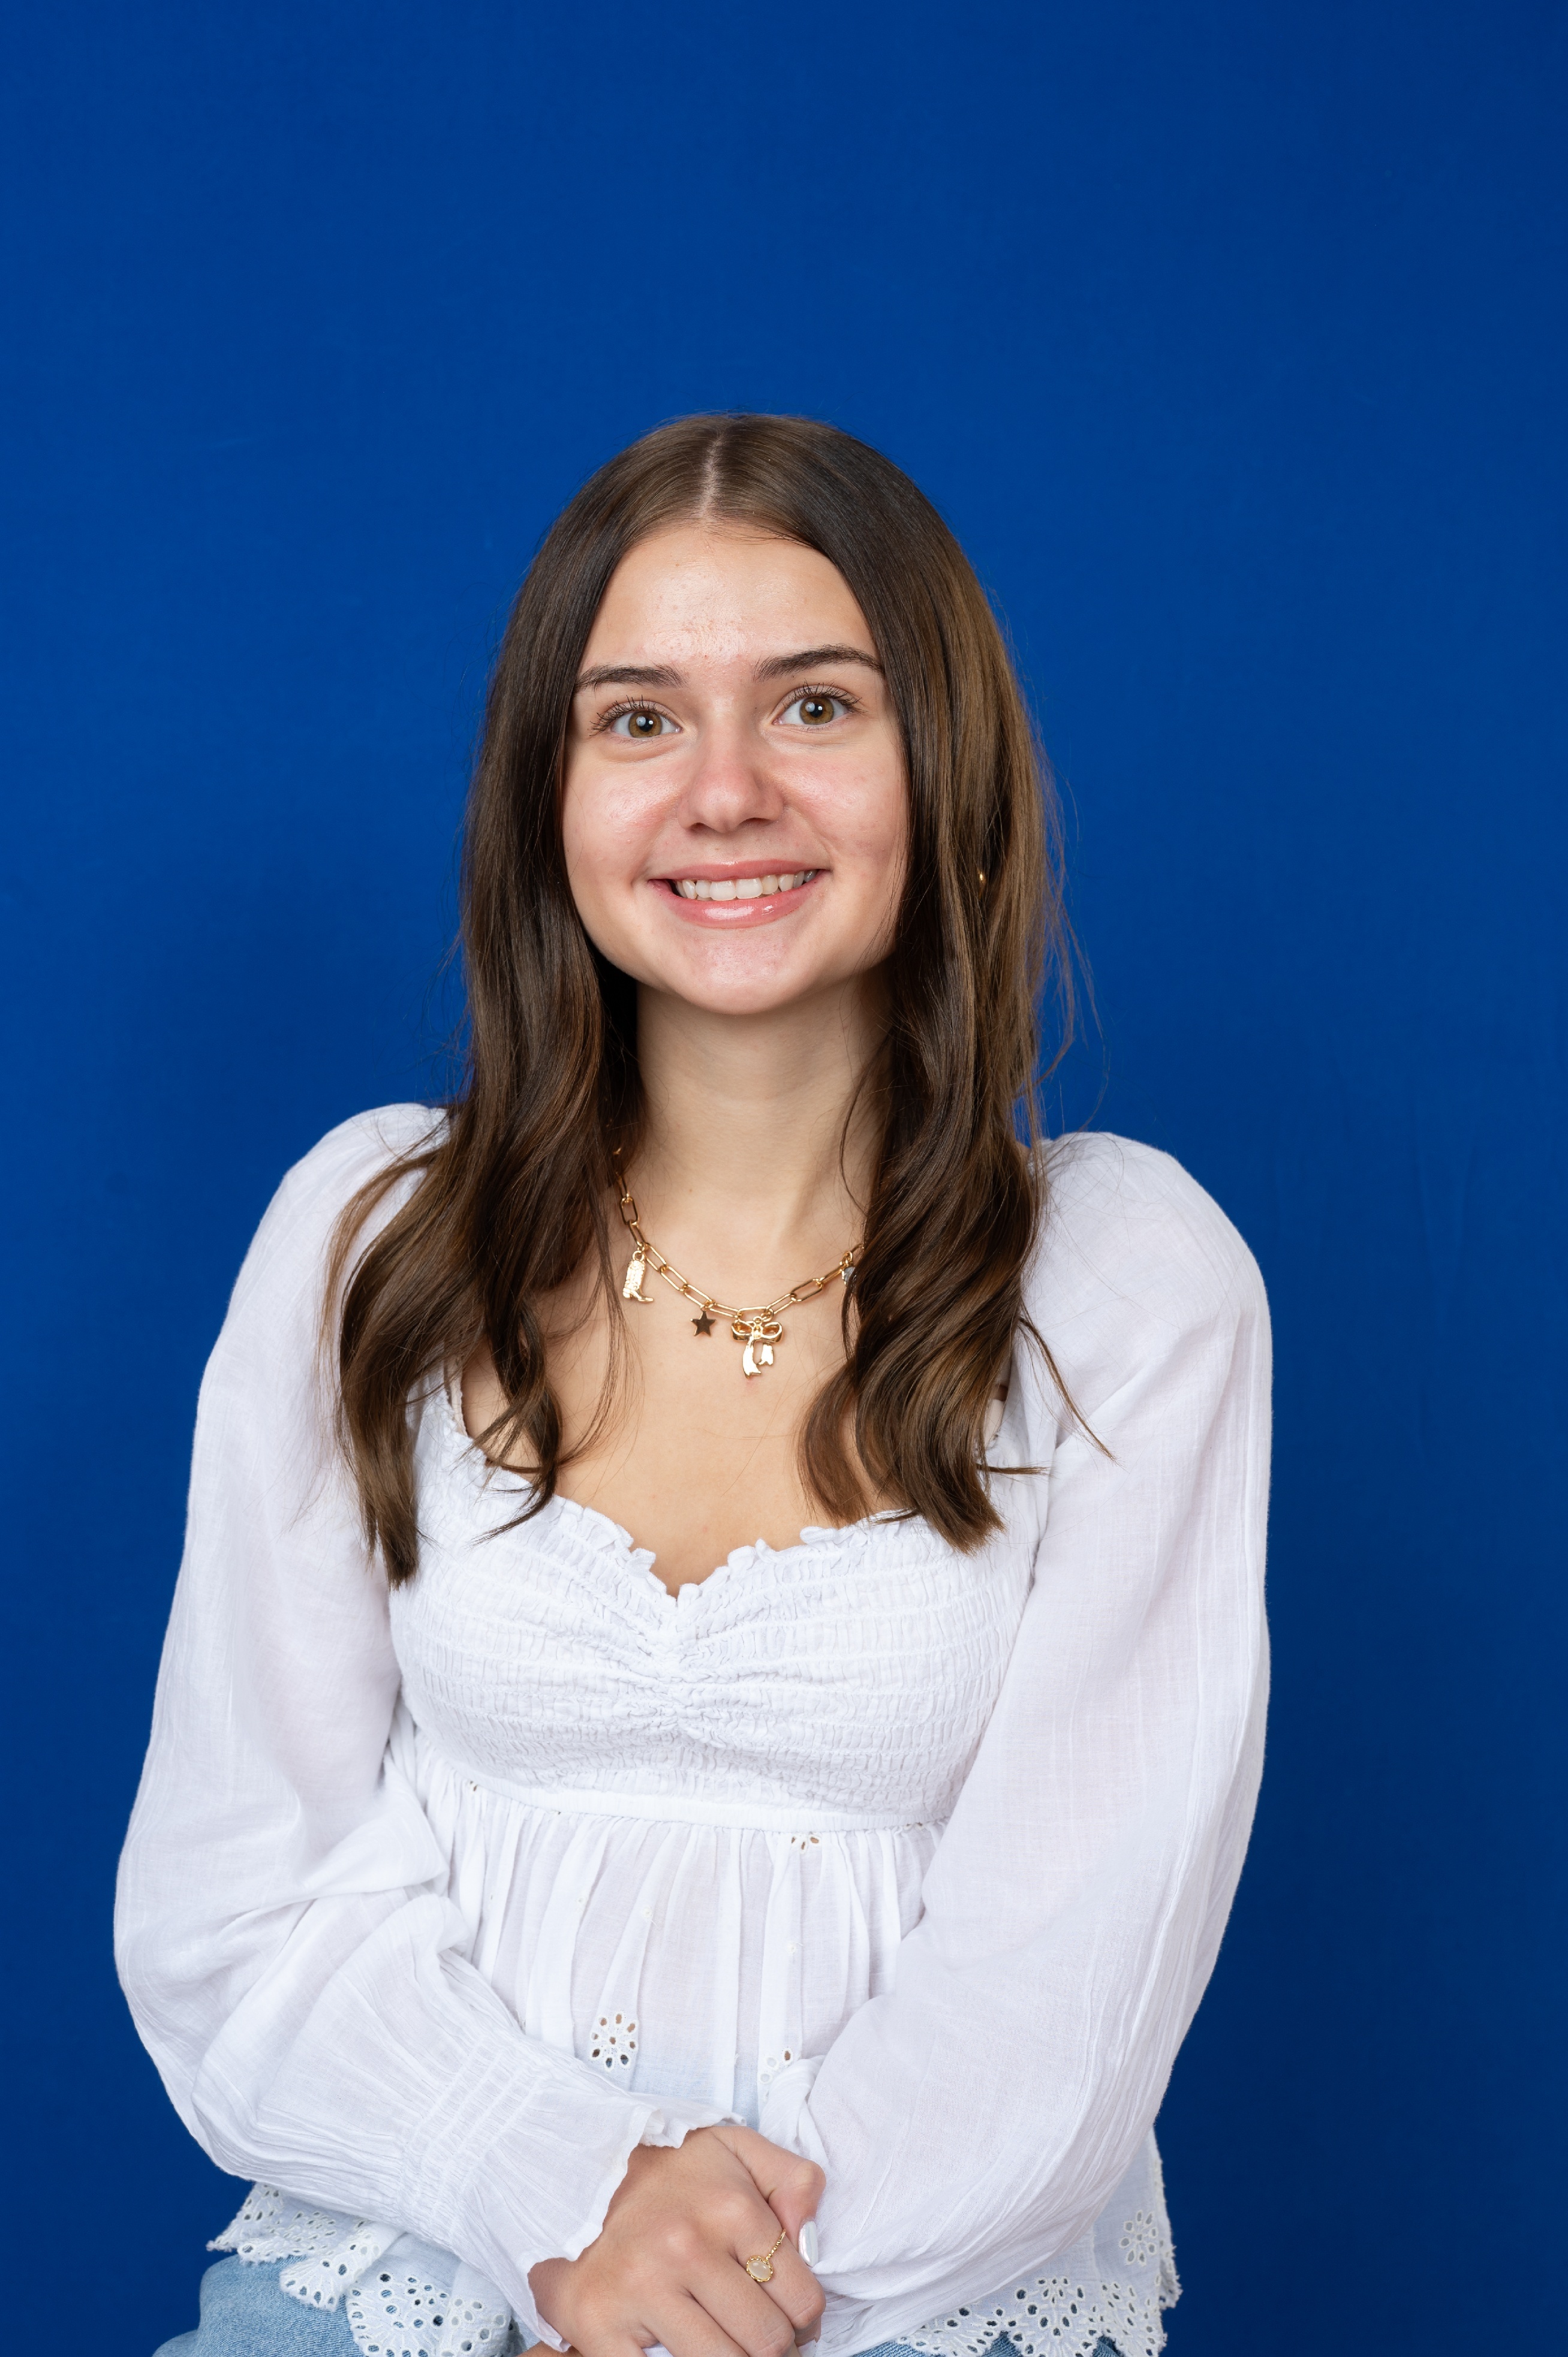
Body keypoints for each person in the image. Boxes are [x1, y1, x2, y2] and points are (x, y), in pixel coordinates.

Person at [116, 413, 1271, 2357]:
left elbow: (1061, 1992)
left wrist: (694, 2296)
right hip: (416, 2256)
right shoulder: (369, 1239)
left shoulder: (1127, 1288)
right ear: (550, 800)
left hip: (903, 2294)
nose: (724, 792)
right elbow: (234, 1895)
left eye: (816, 705)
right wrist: (562, 2204)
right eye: (639, 719)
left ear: (948, 770)